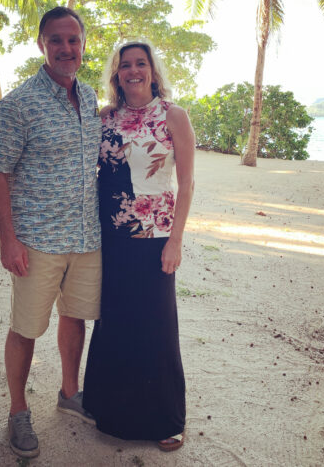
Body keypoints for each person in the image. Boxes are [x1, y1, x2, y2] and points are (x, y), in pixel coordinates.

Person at [0, 7, 102, 459]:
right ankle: (18, 411)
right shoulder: (17, 104)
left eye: (73, 40)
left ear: (83, 45)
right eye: (56, 40)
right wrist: (7, 240)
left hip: (86, 238)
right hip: (36, 239)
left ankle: (69, 393)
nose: (66, 48)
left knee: (75, 318)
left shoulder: (90, 98)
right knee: (26, 329)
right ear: (41, 45)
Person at [83, 40, 195, 451]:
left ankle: (168, 418)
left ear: (152, 70)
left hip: (155, 236)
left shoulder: (174, 116)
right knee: (113, 320)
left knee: (157, 323)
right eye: (125, 65)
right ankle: (109, 408)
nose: (133, 71)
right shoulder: (105, 118)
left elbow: (187, 184)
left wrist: (176, 241)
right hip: (109, 234)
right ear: (116, 73)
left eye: (141, 64)